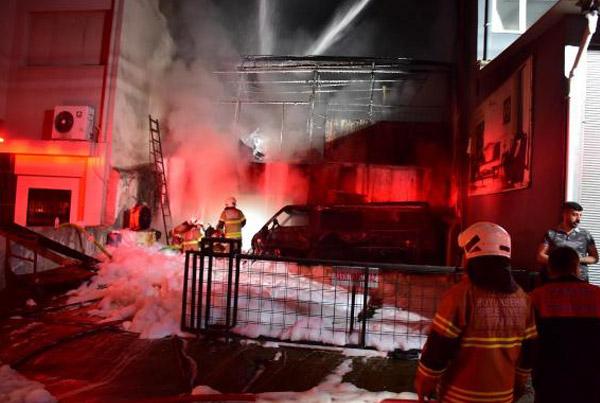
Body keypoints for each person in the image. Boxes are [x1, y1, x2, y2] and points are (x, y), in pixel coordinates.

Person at [414, 222, 537, 403]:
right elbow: (528, 352)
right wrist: (518, 384)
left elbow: (438, 347)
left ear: (471, 257)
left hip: (459, 396)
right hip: (503, 396)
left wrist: (425, 382)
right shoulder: (523, 298)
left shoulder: (461, 295)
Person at [530, 246, 600, 403]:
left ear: (550, 268)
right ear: (577, 268)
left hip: (550, 378)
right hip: (591, 378)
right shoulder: (598, 295)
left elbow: (529, 342)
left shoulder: (536, 297)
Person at [537, 201, 598, 282]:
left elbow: (595, 258)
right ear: (564, 214)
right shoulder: (551, 233)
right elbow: (540, 256)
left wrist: (575, 259)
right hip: (555, 280)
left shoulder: (585, 234)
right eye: (574, 215)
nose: (578, 219)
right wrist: (560, 261)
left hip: (579, 280)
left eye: (580, 215)